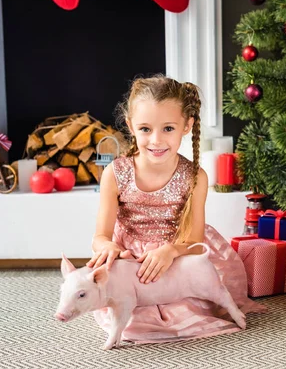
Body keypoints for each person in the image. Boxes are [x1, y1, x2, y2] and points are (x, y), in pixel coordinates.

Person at [86, 75, 265, 343]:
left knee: (189, 309)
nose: (156, 140)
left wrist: (170, 251)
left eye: (168, 128)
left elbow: (193, 241)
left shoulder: (195, 177)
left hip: (179, 253)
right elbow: (100, 237)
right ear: (130, 126)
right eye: (145, 129)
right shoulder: (115, 174)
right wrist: (108, 248)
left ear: (186, 125)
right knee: (131, 316)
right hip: (132, 259)